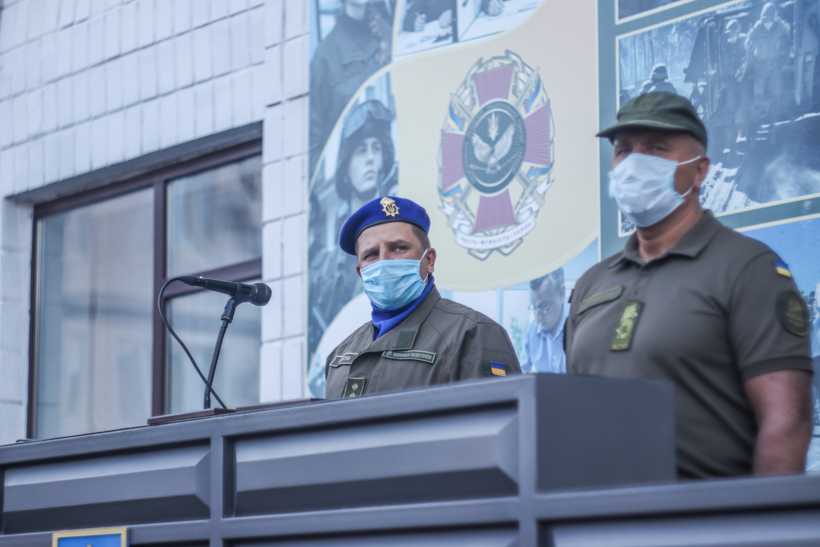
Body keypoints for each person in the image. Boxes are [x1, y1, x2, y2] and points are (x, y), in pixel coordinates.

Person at [565, 91, 814, 479]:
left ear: (699, 171)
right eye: (623, 150)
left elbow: (786, 422)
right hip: (593, 513)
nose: (633, 164)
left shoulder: (748, 268)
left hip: (705, 510)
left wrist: (759, 516)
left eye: (656, 148)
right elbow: (570, 414)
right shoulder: (590, 284)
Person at [325, 196, 521, 398]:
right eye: (371, 254)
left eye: (398, 248)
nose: (384, 262)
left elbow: (497, 416)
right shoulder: (340, 355)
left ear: (429, 260)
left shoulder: (472, 334)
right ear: (361, 273)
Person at [307, 99, 398, 371]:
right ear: (345, 169)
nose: (370, 158)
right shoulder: (328, 265)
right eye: (361, 151)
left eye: (376, 148)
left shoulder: (400, 233)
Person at [309, 0, 392, 178]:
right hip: (351, 180)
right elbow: (313, 146)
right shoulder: (324, 56)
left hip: (392, 169)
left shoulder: (387, 33)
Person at [745, 3, 791, 120]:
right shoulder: (757, 27)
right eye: (765, 20)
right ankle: (756, 120)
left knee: (777, 93)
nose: (767, 23)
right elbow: (748, 42)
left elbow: (788, 43)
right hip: (760, 67)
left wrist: (784, 61)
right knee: (758, 94)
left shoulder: (781, 26)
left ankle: (773, 119)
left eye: (770, 19)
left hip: (775, 66)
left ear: (774, 18)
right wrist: (748, 46)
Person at [521, 268, 568, 374]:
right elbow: (522, 373)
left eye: (543, 307)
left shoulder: (579, 326)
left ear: (561, 294)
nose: (538, 318)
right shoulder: (531, 333)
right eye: (534, 308)